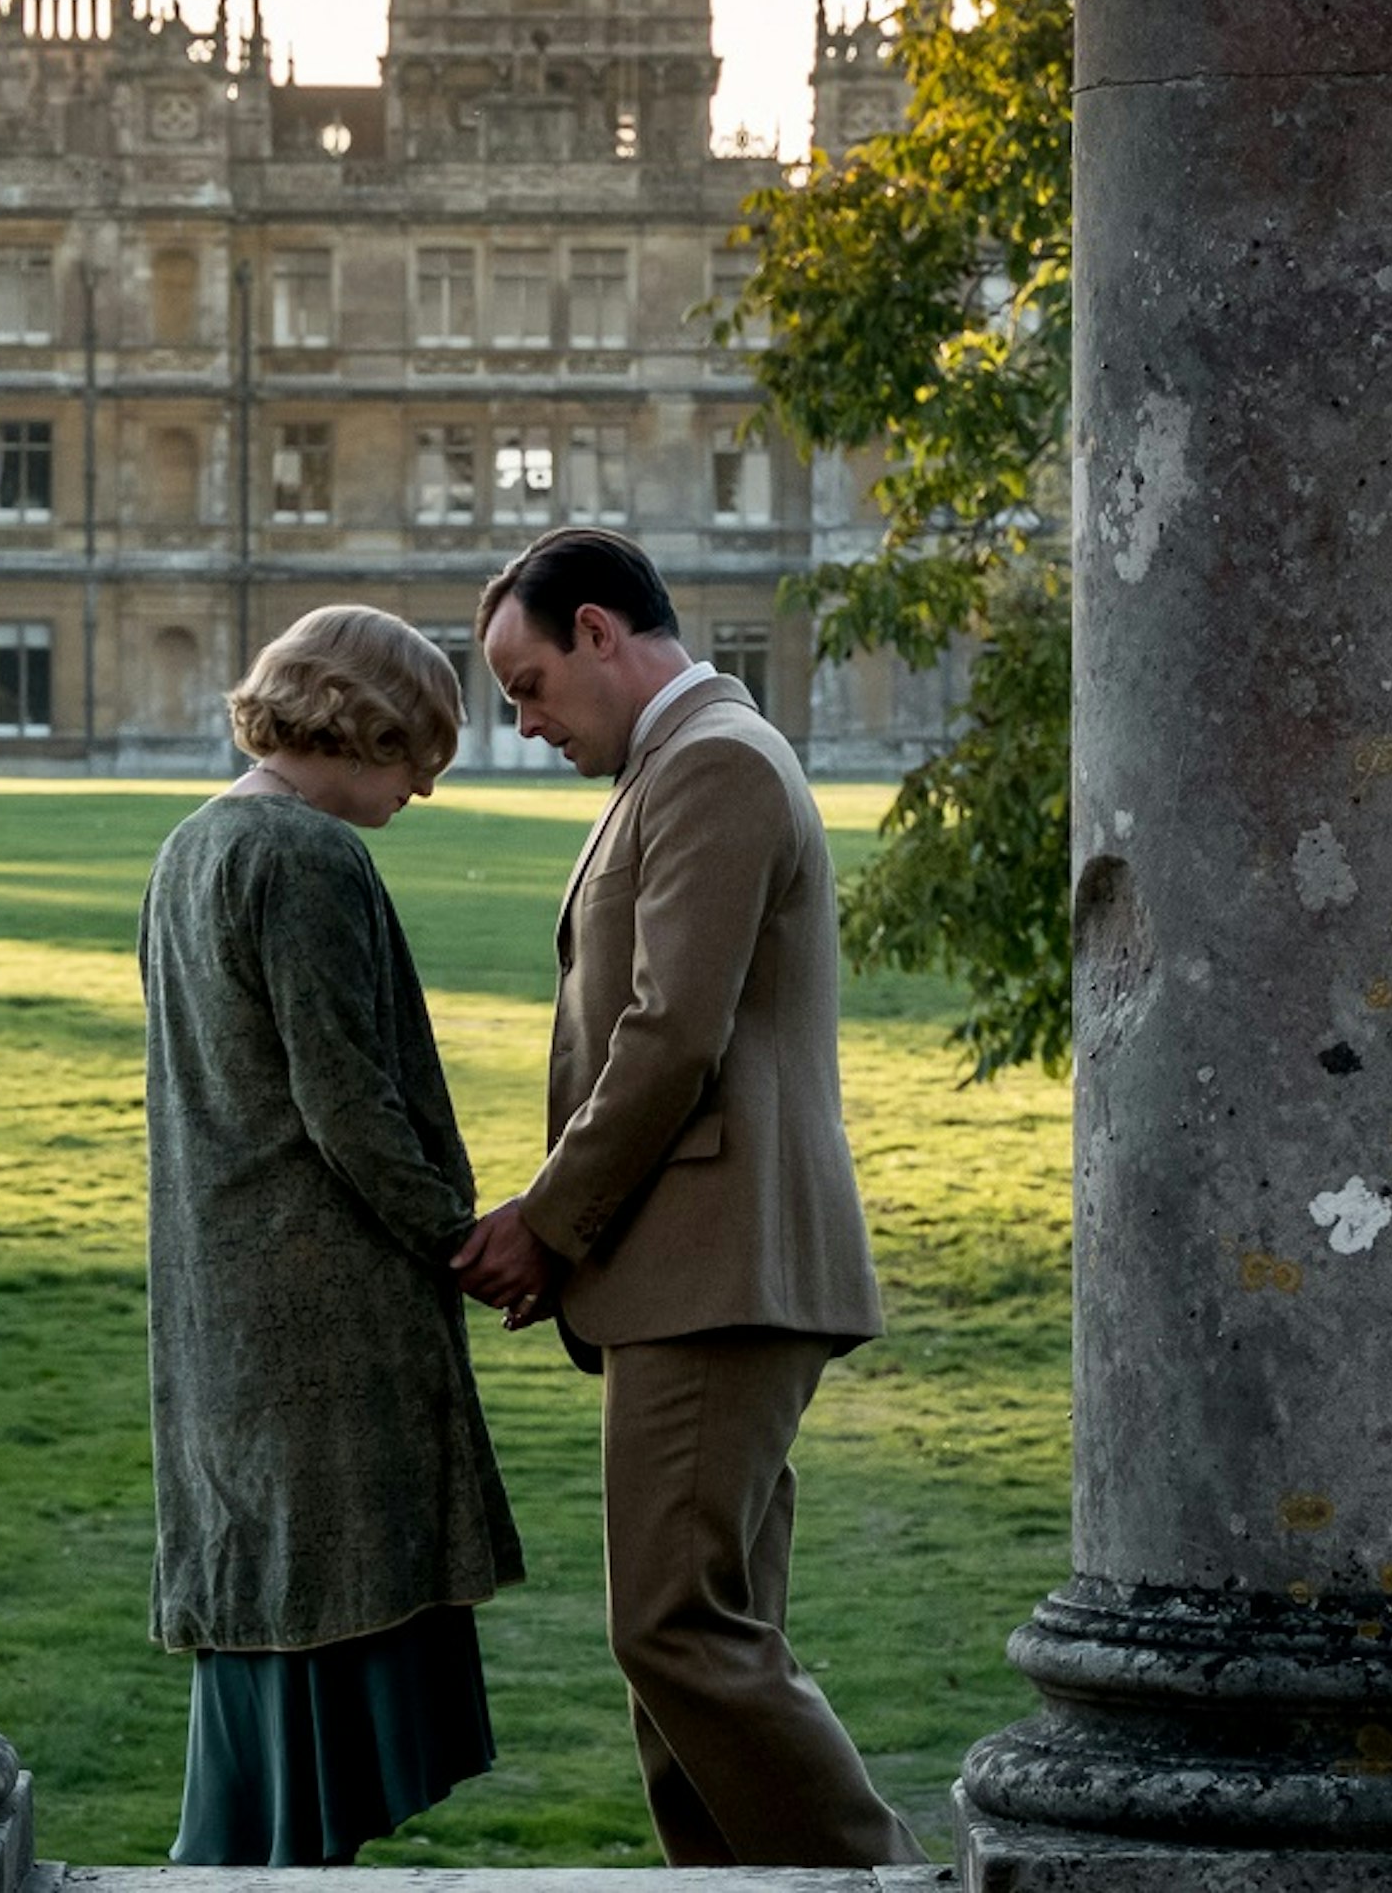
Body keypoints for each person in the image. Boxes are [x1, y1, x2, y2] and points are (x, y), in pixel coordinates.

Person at [449, 529, 924, 1866]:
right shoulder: (688, 754)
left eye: (529, 682)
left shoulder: (712, 758)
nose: (526, 720)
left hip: (726, 1266)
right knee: (696, 1652)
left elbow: (670, 1036)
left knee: (678, 1631)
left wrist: (547, 1218)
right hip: (704, 1262)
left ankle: (881, 1873)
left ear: (600, 630)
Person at [140, 603, 525, 1867]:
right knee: (320, 1595)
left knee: (266, 1597)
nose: (425, 782)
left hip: (223, 1297)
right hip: (320, 1304)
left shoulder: (192, 843)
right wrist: (458, 1239)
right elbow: (345, 1096)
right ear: (362, 725)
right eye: (419, 749)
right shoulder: (303, 855)